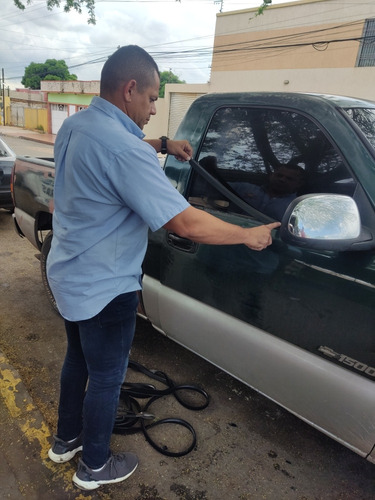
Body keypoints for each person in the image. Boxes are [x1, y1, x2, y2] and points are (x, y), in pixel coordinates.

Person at [46, 45, 280, 491]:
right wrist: (248, 234)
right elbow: (186, 222)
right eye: (153, 98)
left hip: (70, 274)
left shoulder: (76, 125)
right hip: (106, 286)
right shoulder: (123, 150)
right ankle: (94, 466)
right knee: (107, 377)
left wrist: (163, 145)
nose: (155, 108)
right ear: (130, 89)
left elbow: (120, 150)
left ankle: (66, 440)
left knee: (77, 361)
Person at [230, 164, 306, 220]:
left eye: (289, 179)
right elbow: (218, 186)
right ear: (271, 176)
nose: (282, 179)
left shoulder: (298, 208)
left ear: (298, 184)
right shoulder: (243, 188)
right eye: (279, 175)